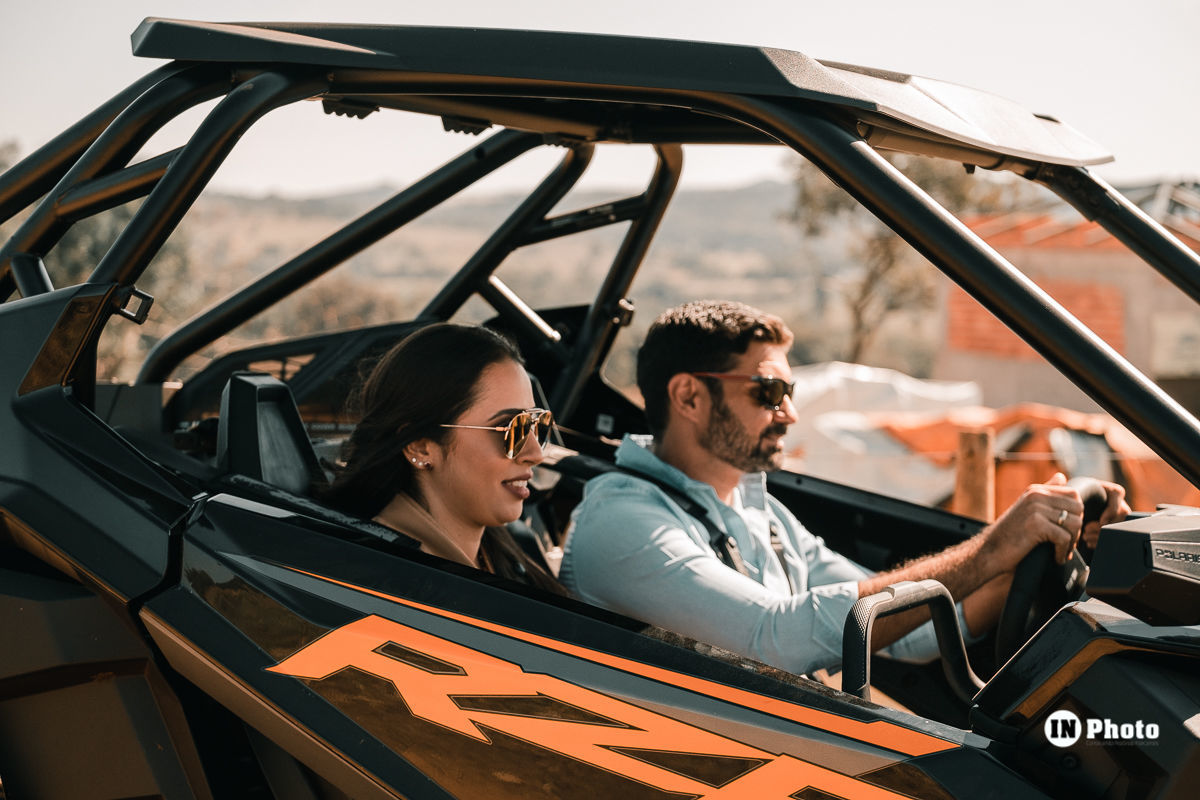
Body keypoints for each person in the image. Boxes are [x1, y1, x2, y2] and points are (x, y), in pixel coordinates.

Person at [560, 300, 1128, 675]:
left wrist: (1044, 552)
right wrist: (989, 550)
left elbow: (899, 632)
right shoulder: (624, 522)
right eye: (768, 393)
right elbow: (774, 636)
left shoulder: (767, 516)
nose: (790, 414)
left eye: (791, 391)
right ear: (688, 397)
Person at [323, 323, 563, 594]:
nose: (535, 454)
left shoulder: (504, 549)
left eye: (533, 424)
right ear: (420, 446)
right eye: (510, 428)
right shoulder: (389, 587)